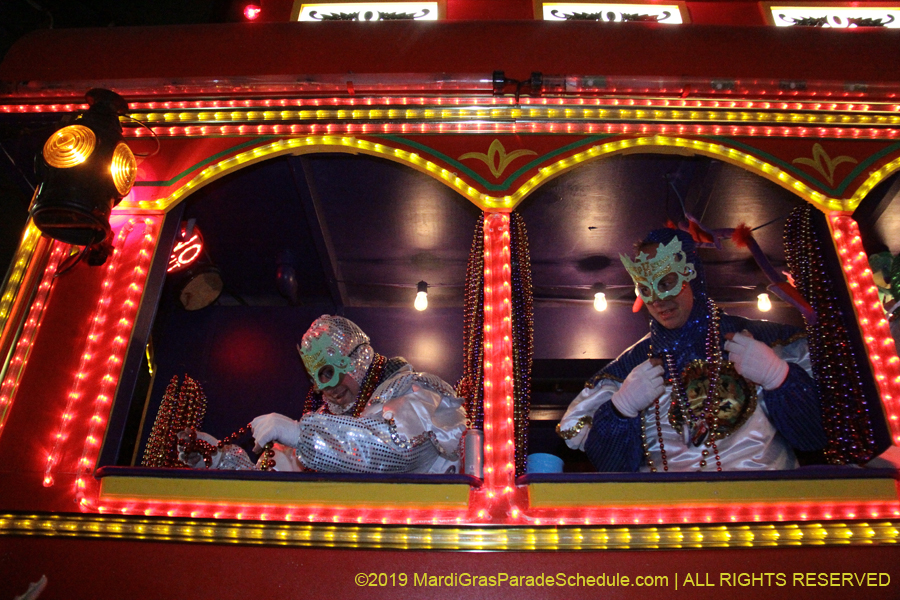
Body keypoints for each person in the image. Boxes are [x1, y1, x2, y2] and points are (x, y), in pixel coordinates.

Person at [557, 228, 826, 472]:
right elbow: (612, 469)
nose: (659, 299)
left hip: (762, 515)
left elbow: (814, 437)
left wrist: (780, 378)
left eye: (666, 282)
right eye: (646, 288)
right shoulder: (629, 368)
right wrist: (620, 410)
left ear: (692, 274)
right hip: (674, 520)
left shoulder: (768, 341)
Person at [180, 315, 466, 473]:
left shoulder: (415, 392)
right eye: (316, 380)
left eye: (328, 372)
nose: (324, 389)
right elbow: (271, 487)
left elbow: (390, 449)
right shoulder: (322, 424)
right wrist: (215, 457)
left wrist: (301, 436)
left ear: (359, 358)